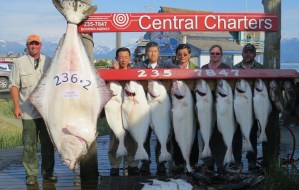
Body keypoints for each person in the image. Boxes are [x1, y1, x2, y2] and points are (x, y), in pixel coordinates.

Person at [9, 34, 56, 185]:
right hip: (27, 111)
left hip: (46, 112)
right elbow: (14, 85)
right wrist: (16, 106)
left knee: (48, 144)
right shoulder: (19, 62)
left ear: (41, 45)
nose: (34, 46)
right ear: (27, 46)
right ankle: (31, 174)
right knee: (29, 145)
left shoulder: (49, 61)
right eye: (31, 44)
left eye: (36, 44)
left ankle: (48, 173)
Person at [134, 41, 179, 175]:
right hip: (144, 105)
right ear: (146, 53)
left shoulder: (166, 64)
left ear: (158, 52)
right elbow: (130, 75)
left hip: (160, 104)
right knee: (145, 135)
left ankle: (162, 162)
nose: (152, 54)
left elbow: (178, 71)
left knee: (163, 133)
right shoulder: (139, 65)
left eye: (155, 51)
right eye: (149, 51)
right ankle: (145, 162)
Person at [108, 47, 140, 176]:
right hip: (114, 110)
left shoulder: (134, 73)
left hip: (130, 110)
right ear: (116, 58)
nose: (123, 59)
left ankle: (132, 164)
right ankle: (114, 165)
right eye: (120, 57)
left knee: (132, 138)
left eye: (126, 57)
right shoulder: (109, 73)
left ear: (130, 58)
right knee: (114, 138)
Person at [232, 43, 264, 171]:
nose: (248, 54)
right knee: (237, 135)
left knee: (252, 135)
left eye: (250, 52)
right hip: (239, 106)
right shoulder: (235, 68)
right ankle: (237, 161)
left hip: (254, 107)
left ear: (254, 54)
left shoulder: (261, 68)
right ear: (242, 53)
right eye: (246, 52)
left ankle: (252, 161)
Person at [201, 45, 231, 172]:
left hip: (223, 106)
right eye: (212, 53)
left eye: (217, 53)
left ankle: (221, 163)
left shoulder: (227, 69)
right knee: (206, 133)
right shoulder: (203, 69)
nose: (215, 55)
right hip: (206, 106)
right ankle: (208, 163)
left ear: (221, 55)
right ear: (209, 54)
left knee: (220, 135)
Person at [172, 44, 199, 173]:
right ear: (176, 55)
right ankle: (178, 162)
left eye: (185, 54)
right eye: (179, 54)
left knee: (191, 134)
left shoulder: (197, 70)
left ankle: (192, 162)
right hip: (176, 106)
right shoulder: (170, 69)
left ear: (189, 55)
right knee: (176, 134)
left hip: (190, 108)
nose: (182, 56)